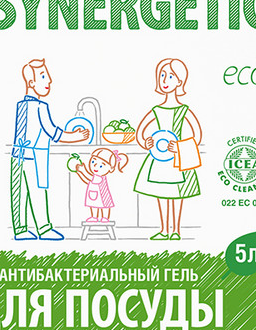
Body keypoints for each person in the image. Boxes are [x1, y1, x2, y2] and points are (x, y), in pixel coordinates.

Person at [11, 58, 88, 240]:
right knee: (37, 192)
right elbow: (54, 132)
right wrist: (77, 136)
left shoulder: (21, 105)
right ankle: (44, 229)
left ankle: (20, 230)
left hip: (17, 155)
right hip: (34, 156)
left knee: (19, 193)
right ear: (32, 83)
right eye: (44, 76)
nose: (50, 80)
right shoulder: (40, 107)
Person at [133, 57, 202, 240]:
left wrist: (179, 147)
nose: (165, 80)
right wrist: (145, 142)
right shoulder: (156, 109)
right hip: (158, 158)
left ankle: (176, 231)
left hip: (178, 159)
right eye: (162, 75)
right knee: (161, 194)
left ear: (180, 81)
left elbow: (197, 136)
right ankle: (164, 230)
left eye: (170, 76)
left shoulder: (184, 110)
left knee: (178, 195)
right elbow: (140, 132)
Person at [72, 147, 128, 224]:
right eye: (93, 162)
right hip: (93, 195)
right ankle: (94, 217)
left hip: (102, 196)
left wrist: (83, 170)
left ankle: (105, 217)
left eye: (101, 166)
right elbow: (87, 181)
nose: (95, 166)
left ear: (111, 169)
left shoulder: (99, 177)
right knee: (93, 206)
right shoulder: (95, 176)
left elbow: (89, 178)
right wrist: (79, 173)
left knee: (104, 207)